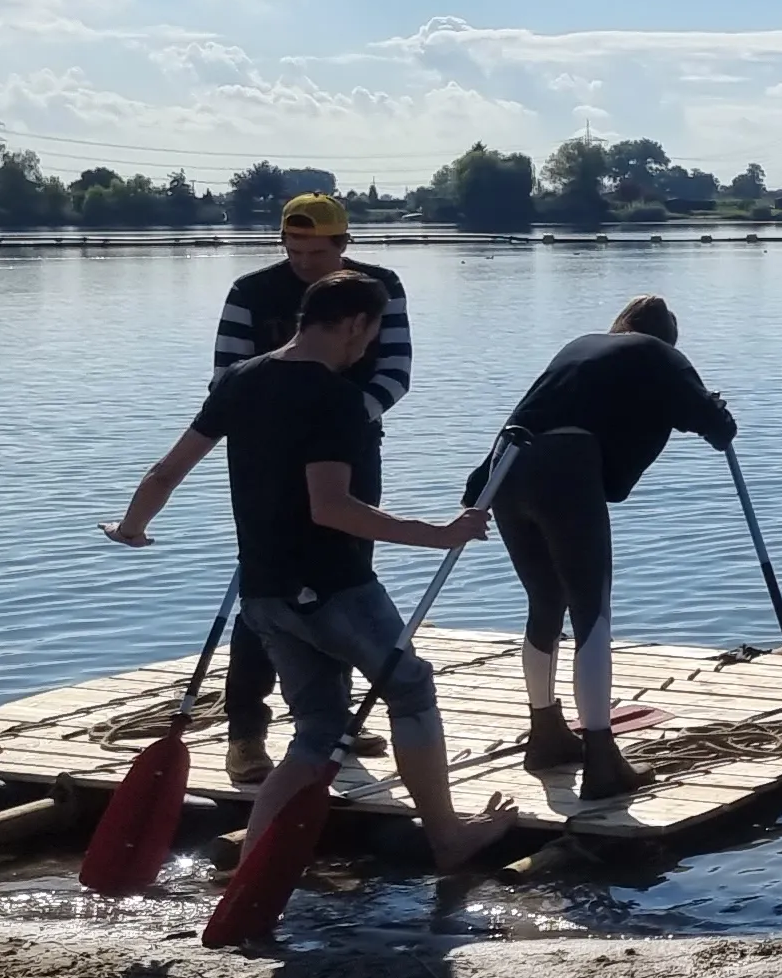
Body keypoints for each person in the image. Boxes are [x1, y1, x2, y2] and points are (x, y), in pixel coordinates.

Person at [102, 271, 513, 876]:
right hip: (333, 587)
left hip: (264, 593)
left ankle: (254, 865)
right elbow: (333, 508)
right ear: (354, 323)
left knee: (319, 727)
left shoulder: (241, 379)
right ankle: (448, 837)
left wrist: (132, 526)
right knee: (412, 689)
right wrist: (440, 534)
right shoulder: (336, 397)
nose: (367, 347)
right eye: (369, 332)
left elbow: (167, 471)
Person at [472, 296, 736, 801]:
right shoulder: (659, 354)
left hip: (506, 467)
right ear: (667, 337)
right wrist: (718, 418)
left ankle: (546, 734)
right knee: (590, 610)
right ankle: (601, 759)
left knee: (545, 602)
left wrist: (477, 495)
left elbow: (527, 412)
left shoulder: (580, 348)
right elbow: (710, 420)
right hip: (565, 469)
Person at [206, 192, 415, 785]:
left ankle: (331, 716)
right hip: (266, 456)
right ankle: (245, 731)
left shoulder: (380, 287)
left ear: (343, 246)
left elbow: (396, 371)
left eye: (316, 252)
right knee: (264, 590)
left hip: (351, 446)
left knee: (344, 582)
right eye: (293, 250)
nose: (302, 263)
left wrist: (344, 418)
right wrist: (285, 426)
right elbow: (224, 377)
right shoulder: (250, 292)